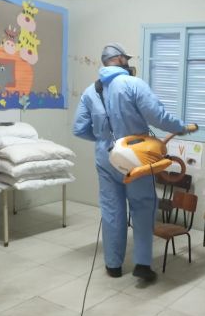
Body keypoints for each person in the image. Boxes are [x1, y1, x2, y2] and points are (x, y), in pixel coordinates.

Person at [73, 42, 188, 282]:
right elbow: (158, 117)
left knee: (111, 211)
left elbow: (79, 129)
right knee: (143, 207)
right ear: (120, 60)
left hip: (106, 159)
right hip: (136, 159)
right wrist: (181, 127)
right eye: (126, 58)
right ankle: (142, 265)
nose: (128, 62)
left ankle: (113, 266)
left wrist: (104, 140)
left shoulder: (90, 92)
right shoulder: (133, 84)